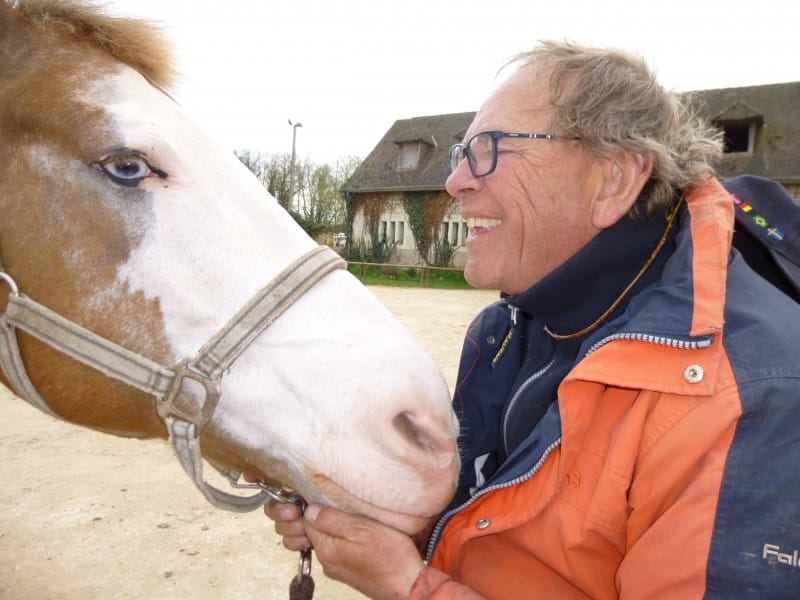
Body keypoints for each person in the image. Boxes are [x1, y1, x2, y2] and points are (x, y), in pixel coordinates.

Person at [265, 40, 800, 599]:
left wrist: (406, 586)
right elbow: (490, 531)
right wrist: (383, 517)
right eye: (461, 153)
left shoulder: (747, 401)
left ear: (613, 179)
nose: (455, 183)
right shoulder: (504, 333)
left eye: (490, 148)